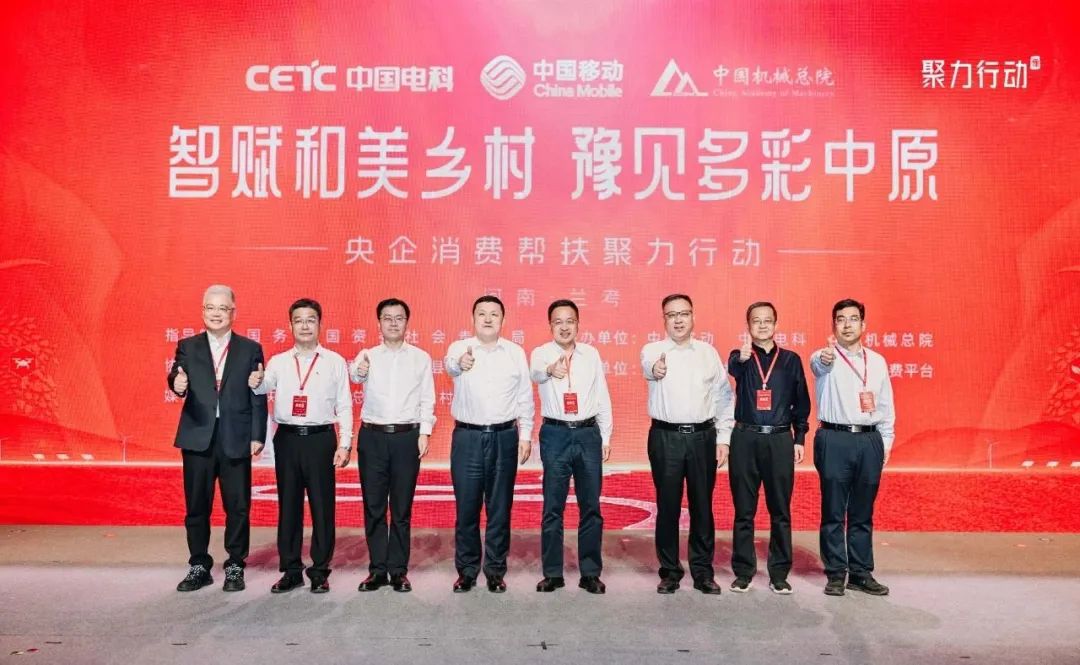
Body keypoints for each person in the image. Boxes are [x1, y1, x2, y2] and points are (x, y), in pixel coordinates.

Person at [249, 298, 352, 594]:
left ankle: (320, 570)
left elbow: (345, 405)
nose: (305, 326)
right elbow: (263, 386)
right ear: (290, 325)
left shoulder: (334, 362)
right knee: (289, 506)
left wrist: (345, 443)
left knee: (322, 507)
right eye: (298, 320)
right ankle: (291, 570)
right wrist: (256, 380)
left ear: (320, 324)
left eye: (310, 320)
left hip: (321, 439)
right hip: (288, 439)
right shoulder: (279, 361)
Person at [169, 284, 267, 592]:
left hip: (235, 436)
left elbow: (257, 392)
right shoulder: (188, 346)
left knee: (237, 506)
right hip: (198, 435)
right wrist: (177, 384)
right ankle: (199, 564)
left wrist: (257, 435)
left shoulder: (250, 349)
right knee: (197, 506)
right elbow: (177, 376)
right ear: (202, 311)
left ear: (233, 313)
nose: (216, 313)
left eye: (223, 308)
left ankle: (235, 564)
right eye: (210, 308)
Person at [640, 294, 734, 595]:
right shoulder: (653, 350)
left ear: (693, 317)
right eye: (671, 315)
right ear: (664, 319)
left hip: (702, 438)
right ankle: (669, 571)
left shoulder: (707, 353)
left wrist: (723, 438)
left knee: (702, 506)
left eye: (684, 313)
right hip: (665, 438)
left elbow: (724, 396)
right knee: (667, 506)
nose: (678, 320)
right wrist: (655, 369)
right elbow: (648, 367)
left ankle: (703, 571)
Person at [444, 295, 534, 593]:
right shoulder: (460, 349)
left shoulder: (515, 353)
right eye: (481, 313)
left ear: (503, 320)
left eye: (494, 314)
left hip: (504, 437)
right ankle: (467, 571)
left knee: (499, 508)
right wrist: (460, 363)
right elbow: (450, 366)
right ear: (473, 319)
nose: (487, 319)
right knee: (467, 508)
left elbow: (524, 396)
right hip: (467, 438)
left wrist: (525, 435)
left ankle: (495, 570)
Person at [809, 299, 895, 597]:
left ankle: (860, 572)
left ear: (863, 324)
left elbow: (886, 405)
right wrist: (824, 359)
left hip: (869, 439)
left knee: (862, 511)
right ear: (834, 325)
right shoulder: (825, 357)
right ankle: (835, 573)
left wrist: (885, 443)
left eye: (853, 318)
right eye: (841, 319)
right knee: (833, 510)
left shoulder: (878, 361)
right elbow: (818, 365)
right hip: (835, 439)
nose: (847, 325)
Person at [350, 298, 436, 593]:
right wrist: (360, 370)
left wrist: (425, 432)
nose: (393, 323)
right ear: (379, 323)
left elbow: (427, 398)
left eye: (399, 318)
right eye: (387, 318)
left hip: (406, 438)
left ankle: (398, 570)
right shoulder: (368, 355)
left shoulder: (420, 358)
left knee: (401, 508)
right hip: (372, 437)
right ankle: (377, 570)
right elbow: (355, 375)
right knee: (374, 506)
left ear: (407, 323)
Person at [726, 302, 810, 595]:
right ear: (748, 326)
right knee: (744, 511)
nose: (762, 325)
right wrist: (741, 358)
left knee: (780, 511)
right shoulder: (740, 357)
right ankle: (743, 572)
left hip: (779, 439)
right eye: (756, 321)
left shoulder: (791, 360)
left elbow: (801, 401)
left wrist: (799, 437)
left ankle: (779, 574)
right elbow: (733, 368)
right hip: (745, 439)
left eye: (767, 320)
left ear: (776, 324)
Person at [530, 299, 613, 594]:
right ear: (550, 325)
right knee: (553, 506)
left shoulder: (591, 354)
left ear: (578, 324)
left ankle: (590, 573)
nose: (564, 327)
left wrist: (606, 436)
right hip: (556, 434)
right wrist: (550, 370)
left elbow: (602, 395)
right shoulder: (541, 354)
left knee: (591, 506)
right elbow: (536, 374)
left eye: (570, 321)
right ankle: (553, 573)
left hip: (588, 434)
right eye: (558, 322)